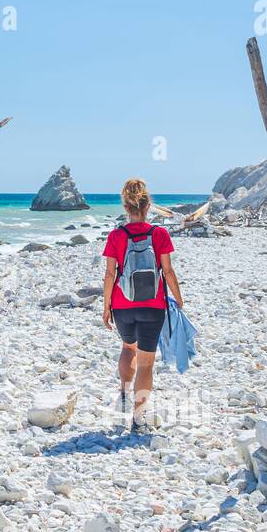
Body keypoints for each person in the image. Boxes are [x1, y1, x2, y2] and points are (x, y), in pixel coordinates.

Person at [101, 179, 184, 430]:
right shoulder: (159, 234)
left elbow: (109, 275)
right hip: (153, 306)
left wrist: (106, 307)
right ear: (148, 207)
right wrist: (179, 299)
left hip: (122, 305)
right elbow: (167, 271)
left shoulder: (116, 236)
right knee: (147, 363)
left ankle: (124, 393)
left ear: (126, 208)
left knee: (128, 348)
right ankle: (138, 419)